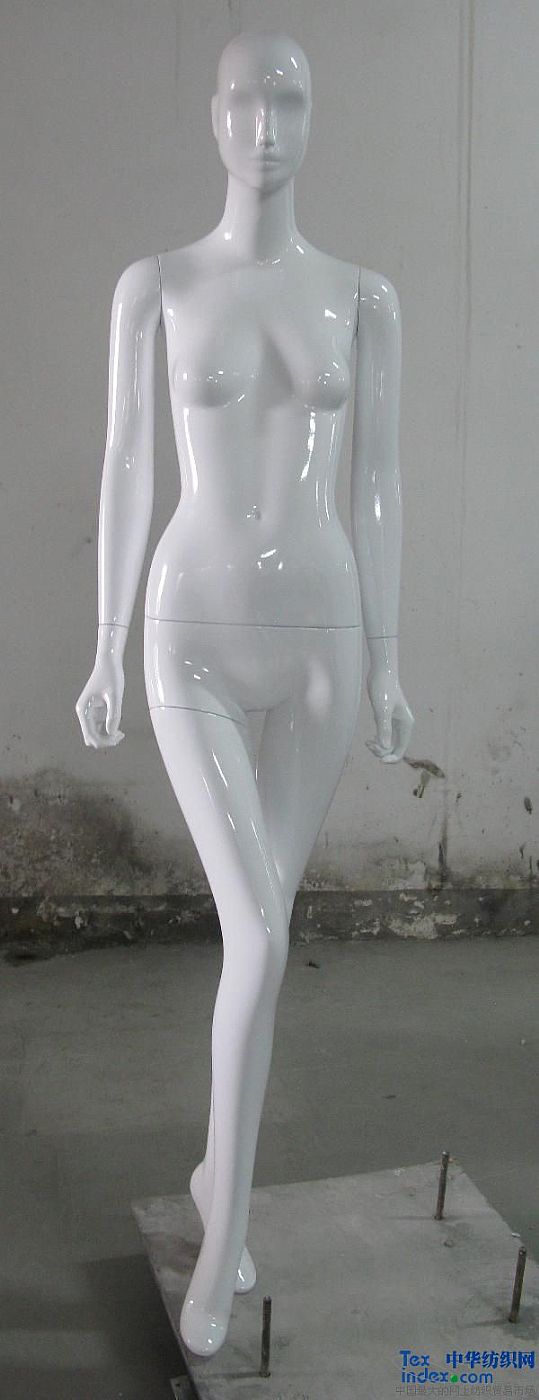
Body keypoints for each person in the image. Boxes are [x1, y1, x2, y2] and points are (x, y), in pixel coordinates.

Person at [76, 29, 414, 1357]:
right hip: (191, 632)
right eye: (246, 101)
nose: (268, 126)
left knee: (260, 936)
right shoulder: (157, 285)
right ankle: (222, 1235)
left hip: (323, 632)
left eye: (292, 100)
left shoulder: (364, 298)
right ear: (212, 117)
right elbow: (126, 462)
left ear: (312, 118)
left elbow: (378, 481)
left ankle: (224, 1174)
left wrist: (389, 655)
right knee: (263, 937)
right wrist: (107, 641)